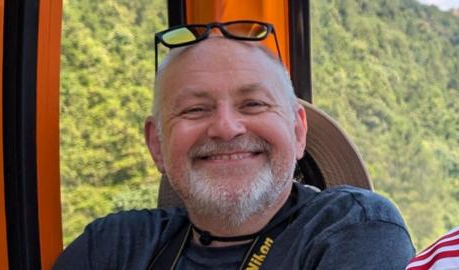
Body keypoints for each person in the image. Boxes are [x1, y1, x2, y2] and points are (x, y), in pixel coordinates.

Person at [54, 21, 415, 269]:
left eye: (253, 104)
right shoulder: (113, 246)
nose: (226, 128)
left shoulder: (349, 228)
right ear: (157, 144)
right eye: (195, 109)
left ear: (297, 131)